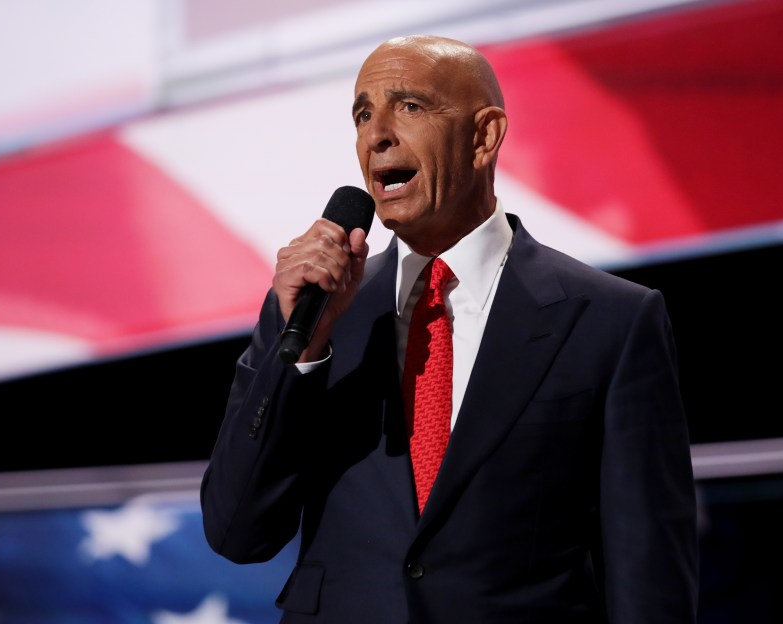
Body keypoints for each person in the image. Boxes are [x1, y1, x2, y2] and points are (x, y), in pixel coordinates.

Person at [200, 34, 698, 623]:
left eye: (409, 106)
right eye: (363, 114)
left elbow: (649, 574)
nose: (376, 133)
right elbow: (237, 532)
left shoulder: (610, 319)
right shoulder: (316, 307)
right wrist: (305, 352)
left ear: (484, 136)